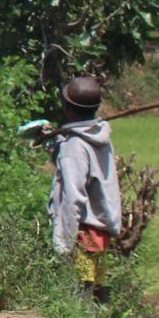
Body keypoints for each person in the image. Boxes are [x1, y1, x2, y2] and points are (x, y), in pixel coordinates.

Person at [44, 75, 122, 299]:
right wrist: (56, 148)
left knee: (78, 299)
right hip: (98, 235)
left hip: (81, 236)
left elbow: (73, 198)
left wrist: (63, 244)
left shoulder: (74, 147)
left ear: (67, 108)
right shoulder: (100, 135)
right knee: (92, 296)